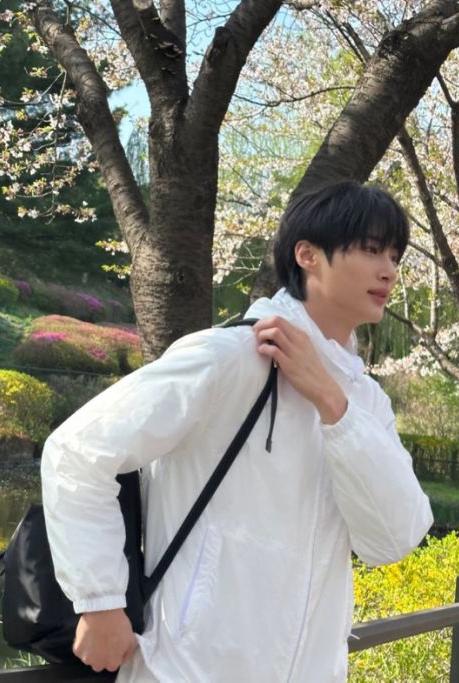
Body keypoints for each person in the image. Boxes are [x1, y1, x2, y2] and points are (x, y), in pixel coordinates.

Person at [41, 180, 433, 682]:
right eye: (372, 249)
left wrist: (332, 403)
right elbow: (77, 450)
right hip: (187, 670)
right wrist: (100, 603)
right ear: (308, 255)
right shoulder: (230, 357)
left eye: (395, 256)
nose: (389, 271)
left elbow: (393, 539)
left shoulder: (364, 401)